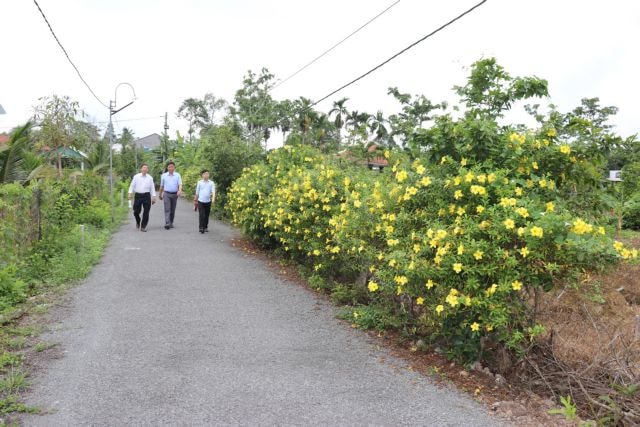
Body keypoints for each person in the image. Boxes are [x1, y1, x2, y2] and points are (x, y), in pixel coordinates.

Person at [127, 163, 156, 232]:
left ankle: (143, 226)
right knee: (136, 211)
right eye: (143, 168)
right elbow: (132, 186)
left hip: (146, 195)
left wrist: (153, 197)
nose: (145, 169)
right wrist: (130, 193)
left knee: (146, 211)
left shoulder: (150, 178)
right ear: (141, 169)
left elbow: (152, 188)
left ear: (147, 170)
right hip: (138, 195)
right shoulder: (136, 177)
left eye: (146, 168)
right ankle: (138, 221)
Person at [159, 161, 183, 230]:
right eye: (169, 167)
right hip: (166, 194)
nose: (171, 168)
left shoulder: (177, 175)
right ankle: (167, 223)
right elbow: (161, 186)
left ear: (174, 167)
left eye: (172, 167)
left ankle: (171, 222)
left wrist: (179, 190)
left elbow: (180, 184)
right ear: (167, 168)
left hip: (175, 194)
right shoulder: (164, 175)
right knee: (167, 209)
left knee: (172, 209)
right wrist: (160, 194)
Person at [194, 169, 215, 234]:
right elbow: (197, 192)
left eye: (207, 174)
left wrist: (213, 198)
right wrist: (195, 201)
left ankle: (205, 226)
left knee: (206, 215)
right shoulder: (199, 182)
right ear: (202, 175)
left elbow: (213, 191)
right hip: (200, 201)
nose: (206, 175)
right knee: (202, 215)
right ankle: (201, 227)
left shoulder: (211, 183)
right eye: (205, 174)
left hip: (208, 201)